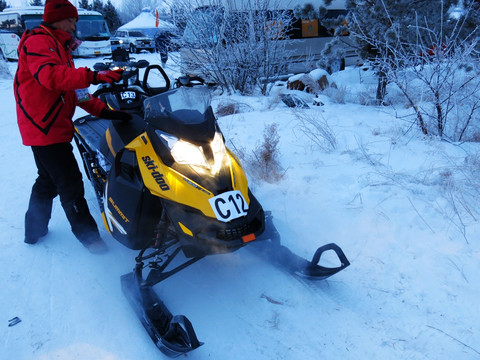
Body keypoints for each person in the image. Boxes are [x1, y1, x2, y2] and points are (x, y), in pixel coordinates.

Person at [14, 0, 131, 254]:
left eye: (75, 20)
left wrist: (107, 112)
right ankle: (89, 238)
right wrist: (93, 75)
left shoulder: (60, 46)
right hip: (44, 128)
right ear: (55, 19)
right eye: (70, 20)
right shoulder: (37, 41)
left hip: (52, 125)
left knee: (48, 180)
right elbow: (51, 77)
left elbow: (77, 93)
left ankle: (33, 230)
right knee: (70, 183)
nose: (74, 25)